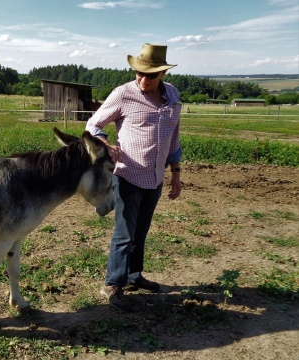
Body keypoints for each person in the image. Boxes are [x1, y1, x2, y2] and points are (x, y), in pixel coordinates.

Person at [85, 43, 182, 311]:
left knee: (141, 230)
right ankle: (113, 284)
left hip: (156, 177)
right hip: (128, 175)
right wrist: (105, 143)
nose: (143, 79)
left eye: (150, 75)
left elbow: (174, 138)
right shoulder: (123, 94)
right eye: (139, 73)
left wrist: (175, 173)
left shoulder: (172, 96)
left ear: (162, 73)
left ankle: (133, 276)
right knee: (125, 233)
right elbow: (93, 124)